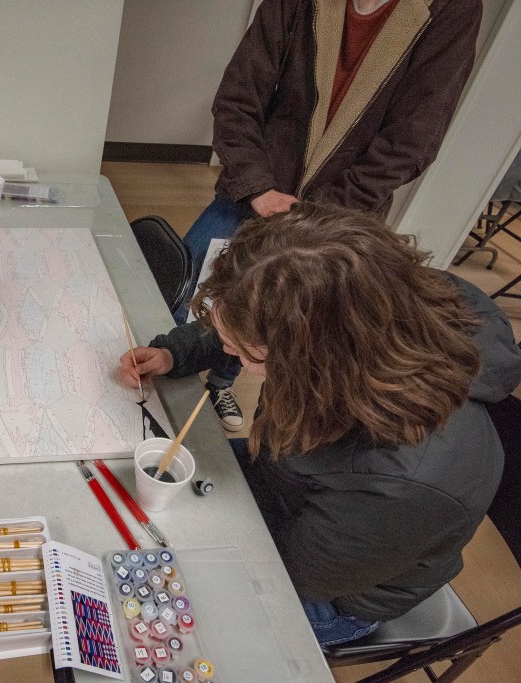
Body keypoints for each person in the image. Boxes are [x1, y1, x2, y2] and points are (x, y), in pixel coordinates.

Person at [120, 203, 521, 646]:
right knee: (130, 495)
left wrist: (196, 539)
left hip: (332, 590)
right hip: (288, 482)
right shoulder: (363, 301)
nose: (230, 350)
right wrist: (177, 353)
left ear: (316, 359)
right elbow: (254, 317)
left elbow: (290, 578)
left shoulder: (402, 483)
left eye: (247, 353)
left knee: (154, 623)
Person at [183, 0, 482, 431]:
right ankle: (192, 368)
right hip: (254, 191)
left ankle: (224, 387)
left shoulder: (452, 11)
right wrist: (259, 189)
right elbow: (237, 99)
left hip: (339, 216)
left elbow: (412, 139)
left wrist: (314, 216)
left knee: (291, 341)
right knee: (199, 297)